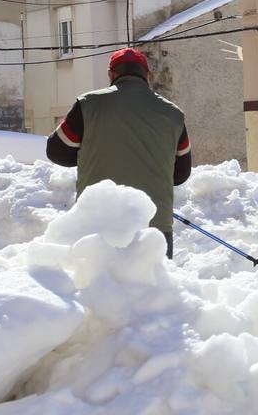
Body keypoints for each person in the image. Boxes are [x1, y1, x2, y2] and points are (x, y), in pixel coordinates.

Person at [46, 47, 192, 258]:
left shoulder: (89, 104)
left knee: (96, 287)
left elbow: (57, 152)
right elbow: (181, 174)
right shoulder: (174, 115)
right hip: (154, 226)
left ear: (111, 74)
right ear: (147, 76)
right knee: (154, 288)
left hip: (97, 223)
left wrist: (89, 155)